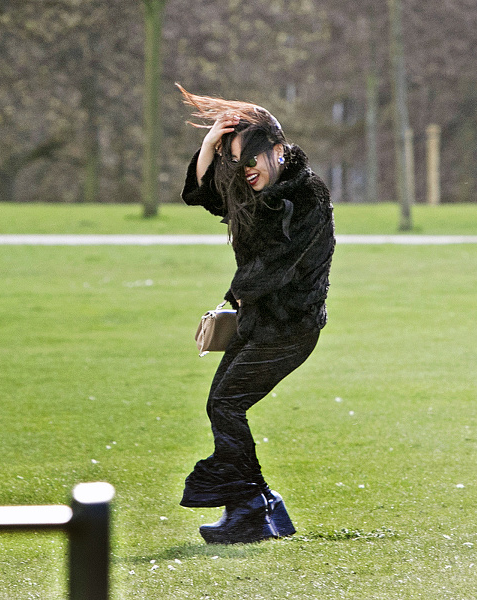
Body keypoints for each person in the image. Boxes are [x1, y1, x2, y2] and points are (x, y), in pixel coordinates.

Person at [176, 84, 335, 544]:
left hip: (290, 328)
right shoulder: (253, 189)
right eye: (236, 162)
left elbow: (284, 261)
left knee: (226, 405)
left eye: (251, 159)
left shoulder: (307, 197)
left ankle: (249, 509)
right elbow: (201, 195)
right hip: (259, 323)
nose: (244, 170)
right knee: (222, 405)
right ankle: (263, 507)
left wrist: (240, 292)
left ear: (279, 151)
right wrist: (210, 144)